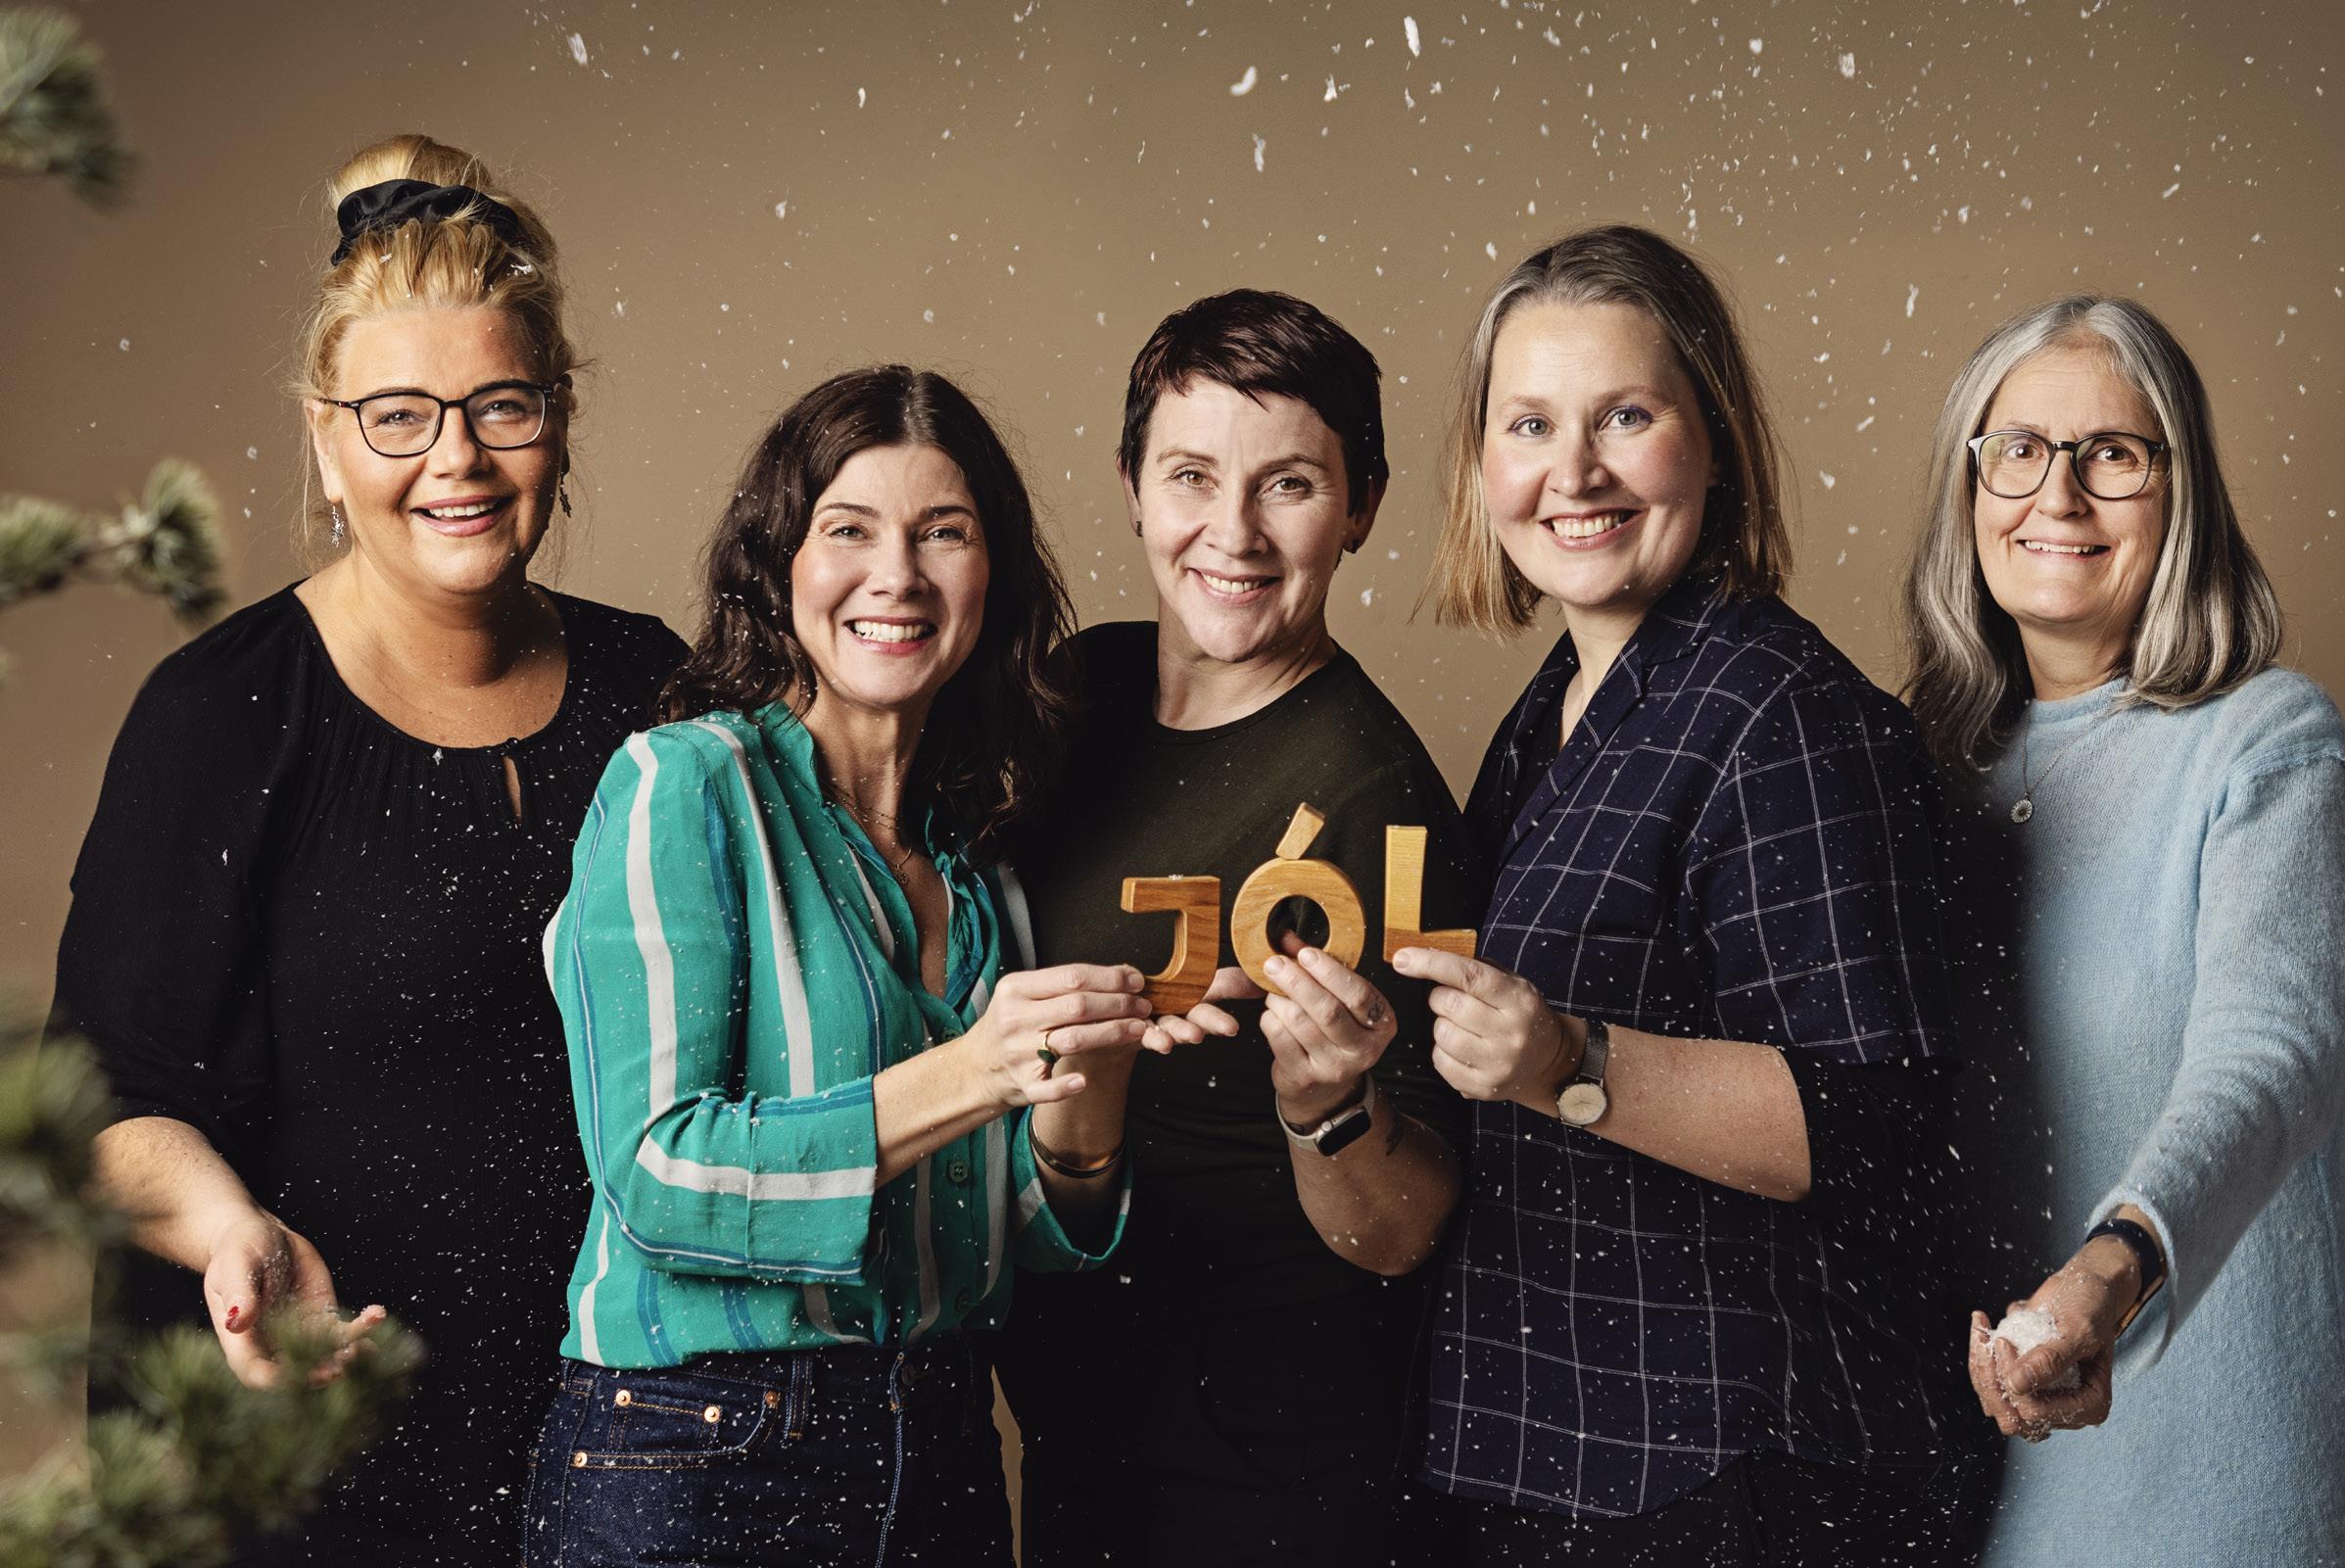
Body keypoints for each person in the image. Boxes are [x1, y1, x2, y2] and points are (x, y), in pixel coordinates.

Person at [51, 134, 685, 1564]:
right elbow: (104, 1101)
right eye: (397, 415)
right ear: (326, 438)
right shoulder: (224, 716)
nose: (455, 458)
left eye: (500, 405)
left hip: (611, 1455)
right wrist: (228, 1229)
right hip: (302, 1457)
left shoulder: (656, 689)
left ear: (560, 419)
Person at [1403, 224, 1986, 1566]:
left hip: (1739, 1482)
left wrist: (1569, 1062)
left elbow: (1880, 1131)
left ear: (1712, 439)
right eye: (1529, 424)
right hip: (1552, 1459)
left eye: (1625, 416)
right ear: (1481, 466)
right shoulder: (1550, 711)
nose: (1573, 472)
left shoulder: (1789, 717)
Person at [520, 366, 1149, 1568]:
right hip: (695, 1452)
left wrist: (1090, 1082)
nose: (896, 575)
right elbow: (656, 1175)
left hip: (942, 1442)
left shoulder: (979, 864)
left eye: (942, 532)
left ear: (993, 576)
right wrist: (976, 1070)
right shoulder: (681, 784)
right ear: (780, 565)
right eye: (848, 529)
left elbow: (1019, 1235)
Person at [1903, 295, 2345, 1565]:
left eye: (2112, 454)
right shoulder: (1913, 774)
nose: (2057, 494)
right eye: (2018, 449)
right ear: (1969, 486)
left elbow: (2272, 1055)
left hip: (2231, 1481)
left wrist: (2111, 1267)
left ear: (2180, 494)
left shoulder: (2266, 742)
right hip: (1981, 1476)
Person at [996, 289, 1479, 1567]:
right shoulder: (1068, 695)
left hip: (1273, 1468)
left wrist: (1326, 1107)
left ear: (1361, 507)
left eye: (1289, 485)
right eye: (1192, 475)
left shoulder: (1380, 797)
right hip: (1074, 1438)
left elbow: (1411, 1225)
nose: (1233, 531)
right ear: (1130, 486)